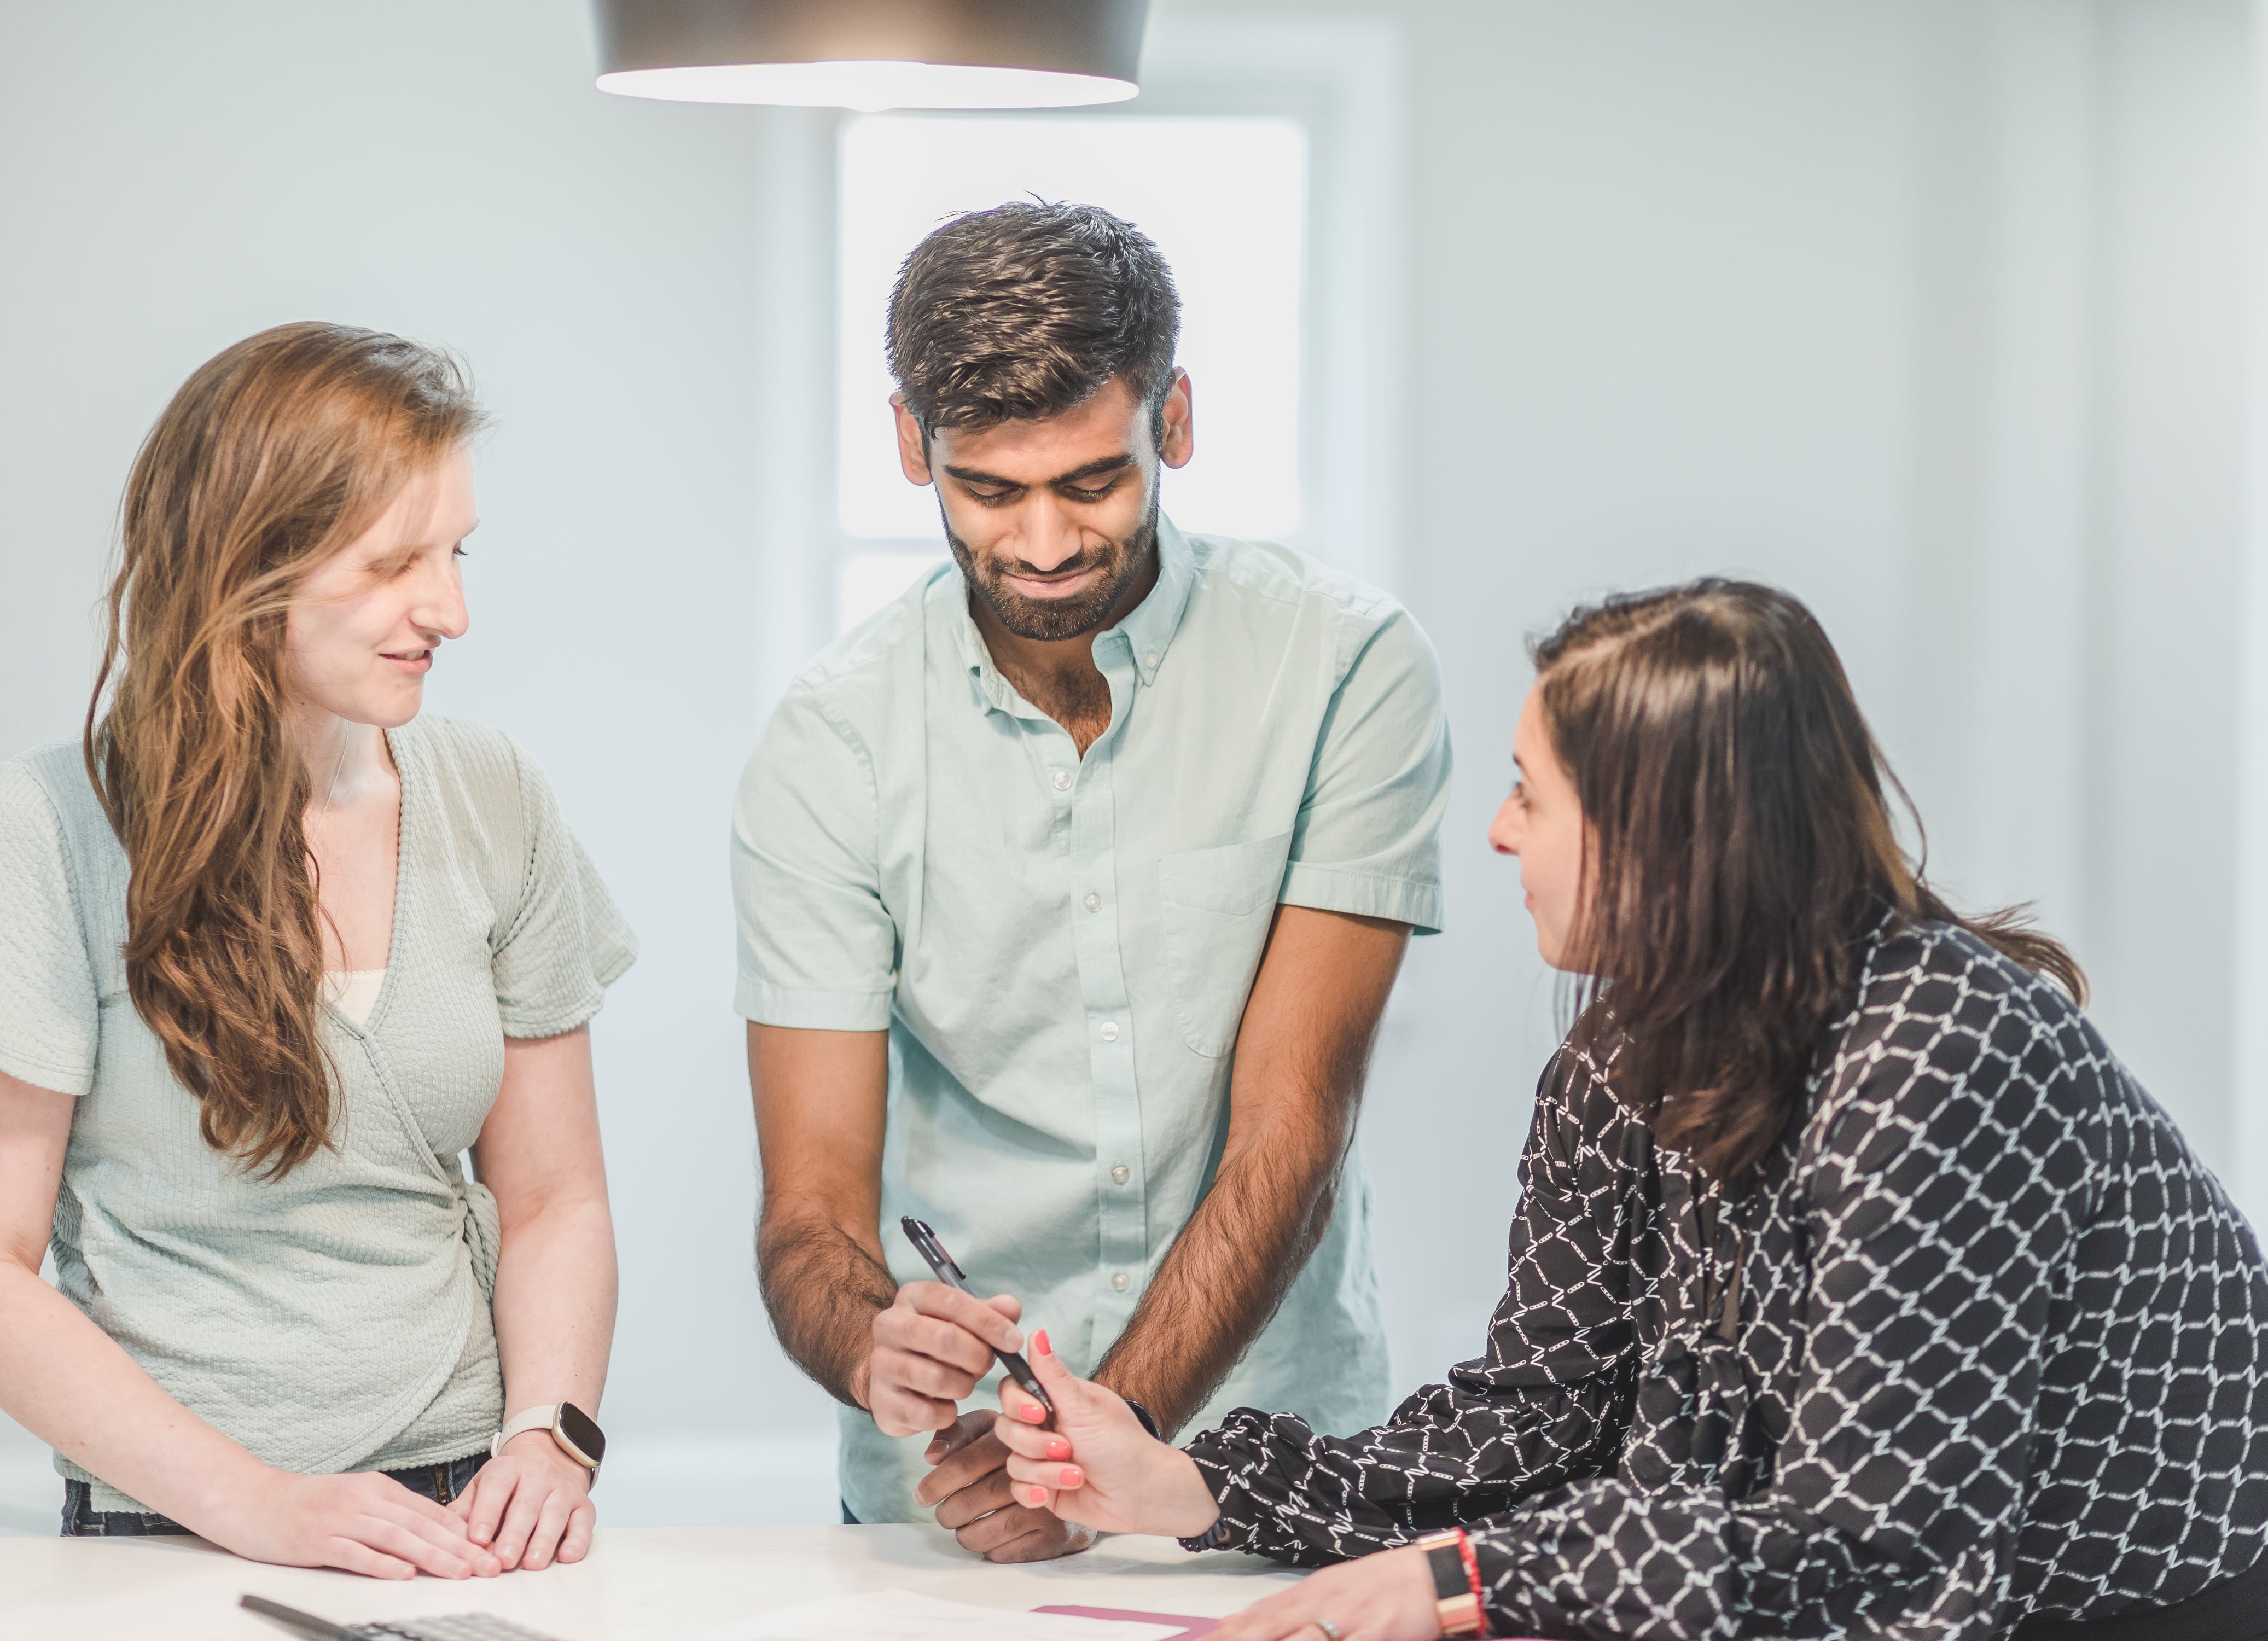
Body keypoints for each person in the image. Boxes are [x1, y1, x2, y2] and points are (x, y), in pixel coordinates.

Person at [979, 579, 2268, 1640]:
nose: (1495, 833)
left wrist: (1462, 1579)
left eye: (1532, 793)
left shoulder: (1939, 1053)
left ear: (1666, 833)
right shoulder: (1616, 1058)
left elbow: (1872, 1536)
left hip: (2141, 1606)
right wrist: (1199, 1489)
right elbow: (1542, 1417)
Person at [732, 202, 1451, 1558]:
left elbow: (1293, 1121)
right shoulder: (831, 742)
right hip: (951, 1501)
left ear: (1172, 420)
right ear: (911, 446)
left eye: (1092, 483)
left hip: (1265, 1465)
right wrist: (866, 1342)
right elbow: (811, 1212)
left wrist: (1091, 1448)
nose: (1046, 544)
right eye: (990, 492)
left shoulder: (1346, 670)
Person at [0, 323, 635, 1579]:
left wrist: (551, 1438)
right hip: (163, 1528)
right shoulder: (47, 832)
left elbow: (557, 1199)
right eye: (395, 563)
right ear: (247, 570)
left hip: (462, 1510)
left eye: (455, 553)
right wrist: (262, 1507)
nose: (451, 610)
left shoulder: (497, 795)